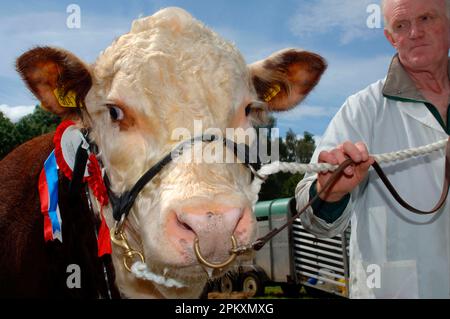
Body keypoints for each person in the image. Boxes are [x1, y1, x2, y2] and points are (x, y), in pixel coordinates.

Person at [295, 0, 450, 298]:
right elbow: (312, 220)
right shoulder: (360, 110)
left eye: (427, 18)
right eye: (401, 25)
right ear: (390, 38)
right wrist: (331, 191)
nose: (415, 32)